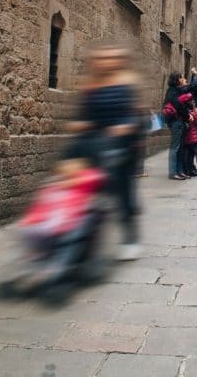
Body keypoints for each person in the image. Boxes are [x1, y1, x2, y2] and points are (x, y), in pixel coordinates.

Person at [68, 44, 144, 260]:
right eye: (102, 58)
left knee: (122, 192)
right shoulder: (91, 86)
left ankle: (130, 237)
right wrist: (79, 124)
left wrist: (125, 127)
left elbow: (134, 115)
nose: (105, 61)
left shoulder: (127, 84)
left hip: (120, 146)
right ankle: (80, 236)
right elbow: (83, 114)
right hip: (94, 145)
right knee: (82, 187)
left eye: (111, 58)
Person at [163, 72, 192, 180]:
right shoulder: (172, 91)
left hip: (179, 122)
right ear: (177, 79)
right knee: (175, 147)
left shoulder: (176, 90)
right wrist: (188, 116)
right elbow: (179, 106)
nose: (183, 78)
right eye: (181, 77)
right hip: (176, 122)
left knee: (180, 148)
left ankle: (179, 171)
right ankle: (172, 172)